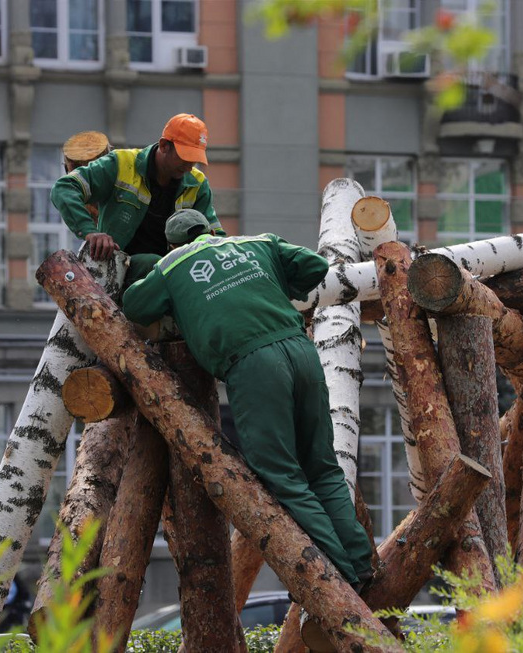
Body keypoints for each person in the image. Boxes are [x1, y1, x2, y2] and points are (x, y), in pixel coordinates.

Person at [121, 210, 375, 613]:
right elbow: (315, 266)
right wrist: (272, 283)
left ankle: (341, 576)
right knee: (323, 469)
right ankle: (363, 565)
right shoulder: (258, 242)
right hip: (300, 348)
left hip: (254, 364)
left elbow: (135, 306)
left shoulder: (171, 265)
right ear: (211, 230)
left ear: (173, 243)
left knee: (282, 475)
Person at [50, 114, 224, 264]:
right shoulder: (121, 164)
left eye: (194, 159)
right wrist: (90, 233)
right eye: (185, 157)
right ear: (164, 146)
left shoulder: (198, 184)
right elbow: (64, 188)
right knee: (150, 263)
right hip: (119, 270)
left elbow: (215, 235)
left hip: (173, 273)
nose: (189, 165)